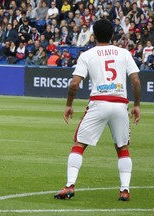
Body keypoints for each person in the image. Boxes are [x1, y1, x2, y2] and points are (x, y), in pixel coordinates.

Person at [54, 19, 141, 201]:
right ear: (112, 35)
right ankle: (124, 190)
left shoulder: (87, 55)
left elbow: (75, 83)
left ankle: (69, 186)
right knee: (122, 147)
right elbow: (135, 81)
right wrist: (137, 105)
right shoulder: (124, 53)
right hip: (119, 104)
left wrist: (69, 104)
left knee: (79, 145)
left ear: (93, 35)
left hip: (98, 103)